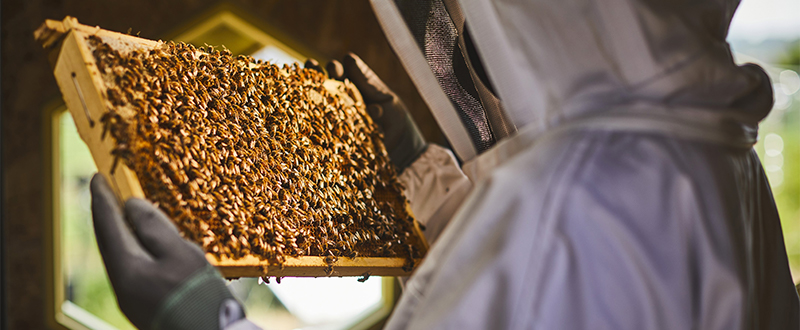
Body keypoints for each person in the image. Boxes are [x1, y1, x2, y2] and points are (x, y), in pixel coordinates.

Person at [90, 0, 800, 329]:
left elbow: (550, 262)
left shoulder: (580, 198)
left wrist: (213, 324)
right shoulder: (706, 156)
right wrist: (420, 171)